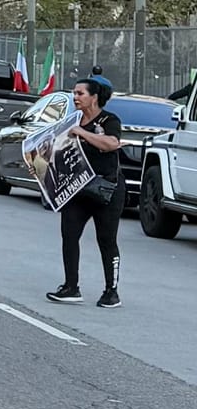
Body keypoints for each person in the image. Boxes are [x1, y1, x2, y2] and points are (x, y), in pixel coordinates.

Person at [46, 77, 126, 309]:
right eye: (74, 93)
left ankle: (111, 291)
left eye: (80, 93)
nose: (76, 97)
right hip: (77, 188)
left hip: (106, 189)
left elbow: (111, 144)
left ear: (94, 97)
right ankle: (71, 286)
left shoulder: (109, 120)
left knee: (106, 240)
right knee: (69, 235)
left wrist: (81, 132)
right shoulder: (71, 120)